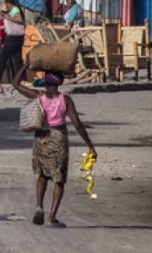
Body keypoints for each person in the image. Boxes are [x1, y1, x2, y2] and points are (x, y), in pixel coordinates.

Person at [12, 63, 96, 228]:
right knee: (59, 179)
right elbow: (78, 124)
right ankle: (51, 218)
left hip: (41, 137)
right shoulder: (66, 100)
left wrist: (25, 66)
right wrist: (90, 145)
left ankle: (39, 206)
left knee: (42, 175)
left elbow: (15, 84)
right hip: (58, 138)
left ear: (46, 82)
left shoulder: (39, 96)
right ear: (59, 83)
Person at [0, 0, 26, 94]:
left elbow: (19, 19)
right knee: (18, 61)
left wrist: (6, 16)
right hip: (18, 39)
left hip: (12, 39)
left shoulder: (14, 10)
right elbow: (9, 26)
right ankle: (20, 80)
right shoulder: (14, 11)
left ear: (9, 4)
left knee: (3, 60)